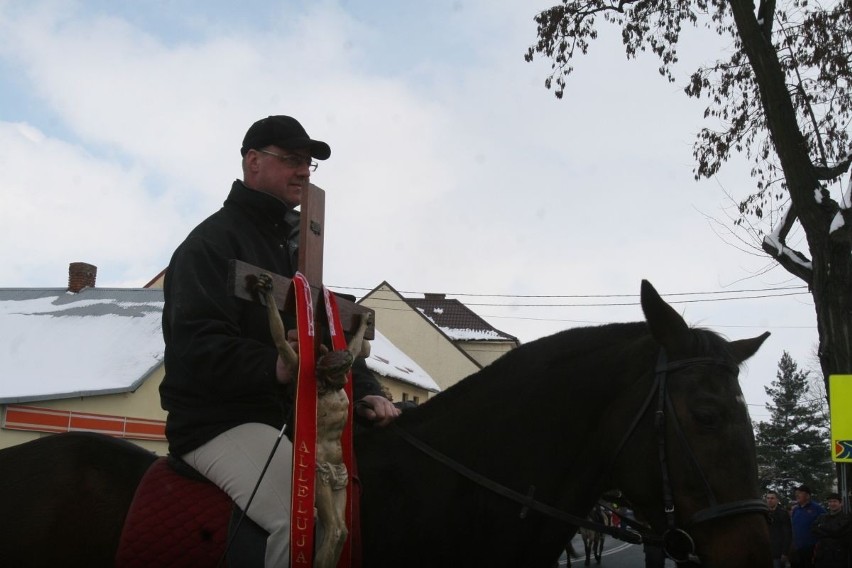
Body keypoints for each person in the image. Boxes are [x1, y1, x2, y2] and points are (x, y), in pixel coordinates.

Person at [159, 115, 400, 567]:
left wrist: (367, 393)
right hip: (218, 423)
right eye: (291, 159)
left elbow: (330, 332)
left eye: (308, 163)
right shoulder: (208, 245)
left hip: (289, 422)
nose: (304, 171)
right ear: (253, 162)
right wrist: (277, 363)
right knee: (304, 515)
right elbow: (195, 348)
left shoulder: (295, 250)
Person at [791, 485, 828, 568]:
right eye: (796, 493)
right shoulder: (796, 510)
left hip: (811, 548)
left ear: (807, 496)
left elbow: (827, 523)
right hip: (797, 548)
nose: (797, 495)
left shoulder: (817, 508)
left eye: (800, 493)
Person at [811, 492, 851, 568]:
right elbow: (813, 530)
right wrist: (831, 532)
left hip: (838, 558)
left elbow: (836, 531)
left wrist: (821, 527)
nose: (832, 504)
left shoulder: (846, 518)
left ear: (841, 503)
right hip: (822, 557)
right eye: (830, 502)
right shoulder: (822, 517)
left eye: (835, 501)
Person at [767, 490, 793, 568]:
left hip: (778, 552)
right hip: (767, 552)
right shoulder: (764, 513)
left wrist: (785, 552)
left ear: (777, 500)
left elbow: (787, 534)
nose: (769, 500)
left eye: (772, 498)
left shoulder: (783, 514)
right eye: (768, 498)